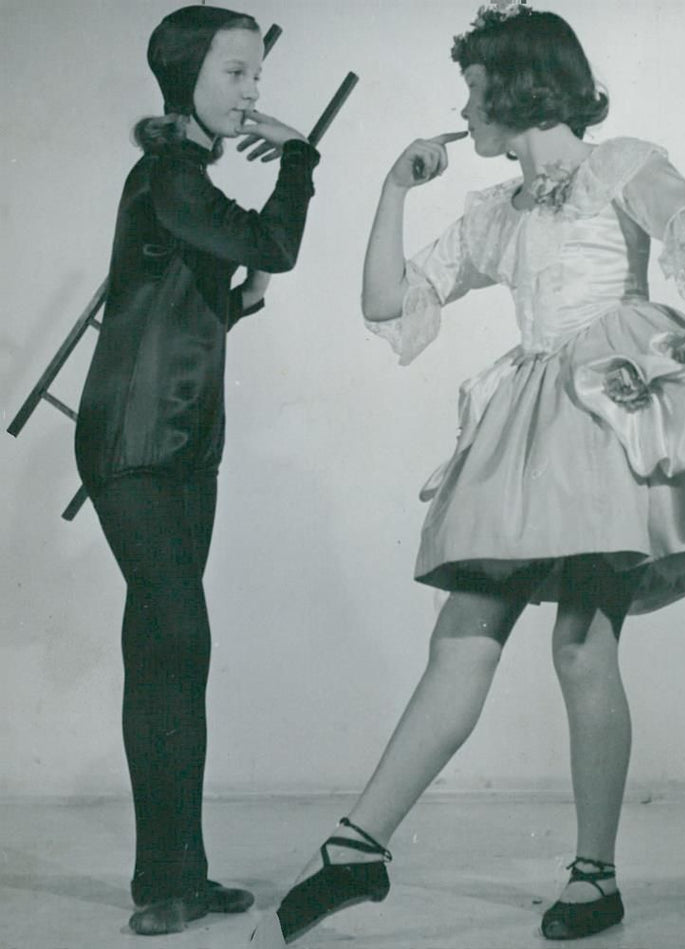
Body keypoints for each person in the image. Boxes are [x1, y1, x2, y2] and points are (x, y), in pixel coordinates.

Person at [274, 5, 685, 943]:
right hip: (529, 430)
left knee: (582, 646)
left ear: (514, 87)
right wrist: (391, 189)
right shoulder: (494, 212)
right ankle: (357, 846)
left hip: (608, 418)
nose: (464, 109)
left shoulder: (619, 164)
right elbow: (386, 299)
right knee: (463, 634)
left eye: (473, 89)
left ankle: (594, 874)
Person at [74, 6, 320, 936]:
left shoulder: (184, 181)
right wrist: (298, 159)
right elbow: (275, 242)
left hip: (180, 441)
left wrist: (239, 294)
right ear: (186, 78)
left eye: (257, 75)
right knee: (177, 642)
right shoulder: (170, 173)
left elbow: (183, 299)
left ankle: (177, 874)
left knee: (170, 652)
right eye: (236, 74)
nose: (252, 92)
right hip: (134, 442)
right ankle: (165, 880)